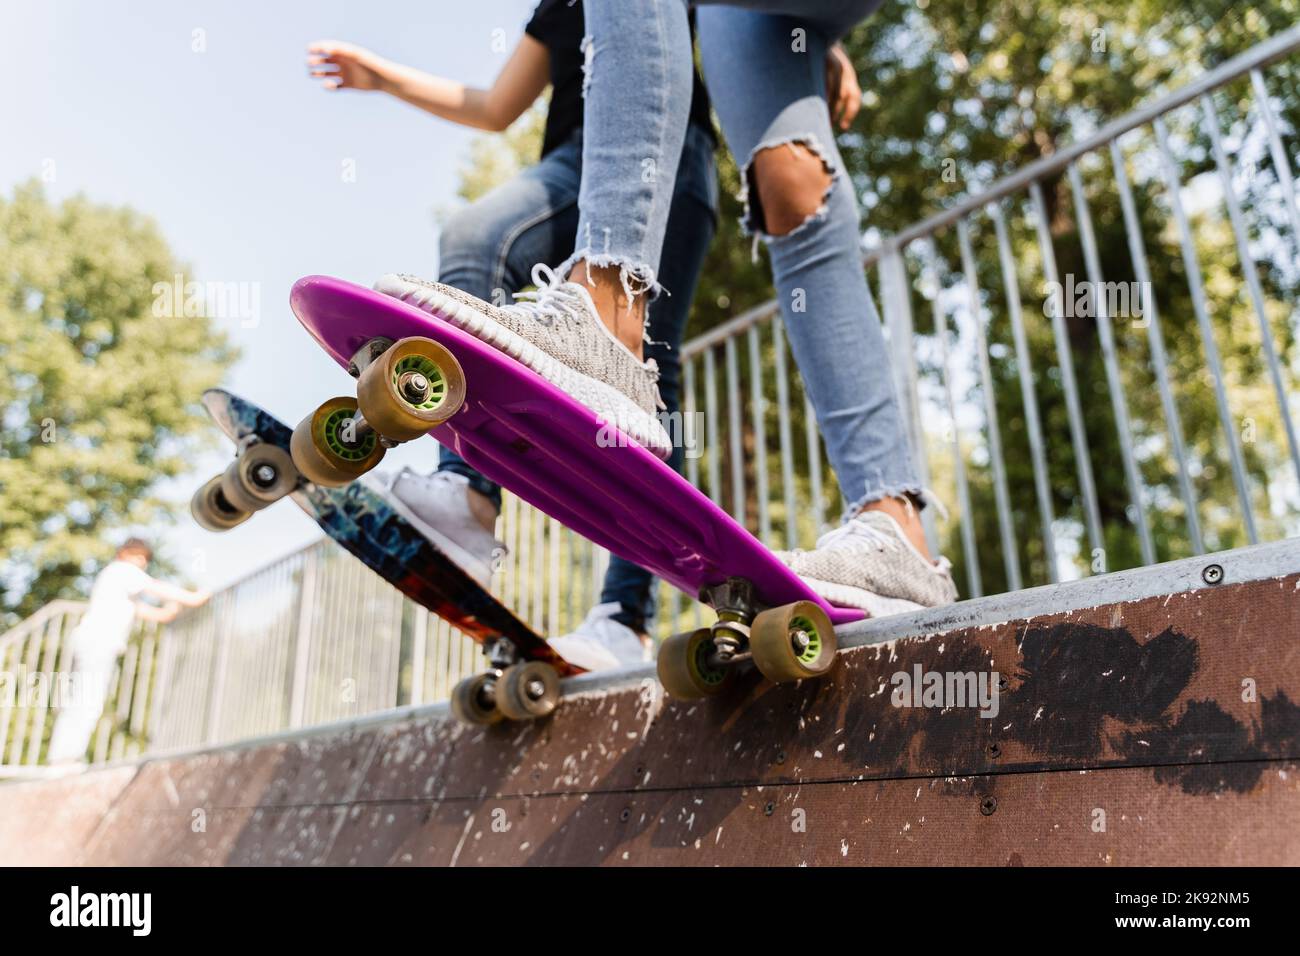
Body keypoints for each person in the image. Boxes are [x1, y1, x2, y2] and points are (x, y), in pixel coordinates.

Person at [375, 0, 957, 614]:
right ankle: (896, 532)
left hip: (668, 166)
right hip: (734, 31)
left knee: (655, 362)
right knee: (794, 187)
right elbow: (496, 105)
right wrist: (810, 34)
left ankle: (602, 318)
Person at [306, 0, 719, 668]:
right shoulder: (559, 6)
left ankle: (625, 613)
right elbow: (497, 106)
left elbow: (747, 31)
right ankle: (466, 495)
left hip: (671, 153)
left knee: (646, 366)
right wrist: (382, 78)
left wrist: (809, 50)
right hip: (576, 158)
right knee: (474, 239)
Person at [46, 539, 209, 766]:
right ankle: (66, 758)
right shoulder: (121, 571)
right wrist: (193, 597)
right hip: (98, 641)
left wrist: (172, 609)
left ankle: (62, 755)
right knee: (88, 699)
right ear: (124, 555)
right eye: (138, 558)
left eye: (144, 560)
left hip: (93, 641)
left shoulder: (117, 584)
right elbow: (156, 587)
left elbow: (152, 613)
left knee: (83, 697)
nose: (141, 564)